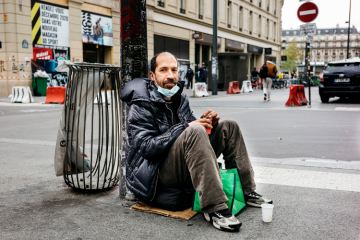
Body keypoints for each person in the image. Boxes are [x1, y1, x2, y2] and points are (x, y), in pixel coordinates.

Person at [120, 52, 272, 232]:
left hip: (179, 160)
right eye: (163, 70)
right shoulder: (141, 103)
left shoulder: (179, 97)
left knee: (228, 126)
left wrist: (207, 123)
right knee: (194, 129)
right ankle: (215, 208)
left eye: (174, 70)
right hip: (156, 171)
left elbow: (191, 131)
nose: (170, 75)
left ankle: (246, 191)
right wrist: (188, 126)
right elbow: (147, 148)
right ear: (152, 76)